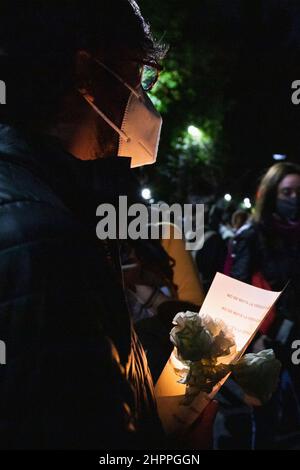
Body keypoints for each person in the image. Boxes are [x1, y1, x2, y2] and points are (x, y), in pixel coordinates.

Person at [0, 0, 217, 450]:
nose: (144, 98)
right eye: (139, 75)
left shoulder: (50, 199)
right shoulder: (45, 237)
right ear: (86, 74)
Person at [229, 162, 300, 448]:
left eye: (299, 192)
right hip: (267, 340)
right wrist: (255, 338)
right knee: (265, 416)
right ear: (271, 194)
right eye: (287, 192)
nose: (294, 199)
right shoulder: (252, 235)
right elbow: (238, 291)